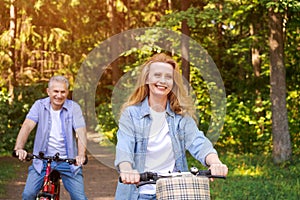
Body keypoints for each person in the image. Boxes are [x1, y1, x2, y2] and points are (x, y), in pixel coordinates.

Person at [114, 53, 228, 200]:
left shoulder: (180, 116)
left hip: (172, 192)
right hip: (137, 194)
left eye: (168, 77)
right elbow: (124, 147)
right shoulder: (131, 114)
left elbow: (199, 142)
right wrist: (126, 170)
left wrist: (215, 162)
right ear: (147, 78)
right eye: (157, 75)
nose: (163, 81)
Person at [14, 75, 88, 200]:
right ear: (48, 92)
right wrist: (19, 148)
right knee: (28, 195)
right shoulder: (39, 105)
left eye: (63, 92)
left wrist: (81, 155)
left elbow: (81, 131)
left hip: (68, 161)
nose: (59, 95)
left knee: (80, 198)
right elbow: (27, 126)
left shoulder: (73, 108)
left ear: (67, 92)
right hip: (42, 161)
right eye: (56, 91)